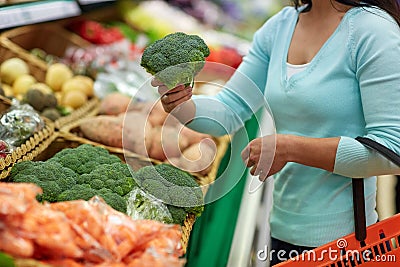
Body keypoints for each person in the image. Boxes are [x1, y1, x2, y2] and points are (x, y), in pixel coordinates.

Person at [152, 0, 400, 265]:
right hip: (282, 233)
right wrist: (182, 106)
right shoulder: (280, 27)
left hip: (345, 244)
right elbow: (229, 109)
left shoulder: (372, 30)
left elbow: (391, 151)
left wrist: (290, 148)